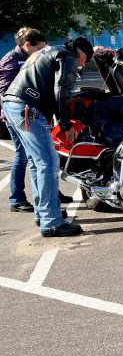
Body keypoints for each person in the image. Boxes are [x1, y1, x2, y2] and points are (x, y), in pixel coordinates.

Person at [2, 37, 95, 237]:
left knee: (37, 163)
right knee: (48, 162)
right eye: (86, 58)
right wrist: (66, 124)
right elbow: (61, 90)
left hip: (13, 105)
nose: (84, 63)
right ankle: (52, 223)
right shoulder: (67, 57)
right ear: (81, 52)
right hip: (28, 109)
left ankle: (44, 213)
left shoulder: (50, 51)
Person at [0, 28, 47, 212]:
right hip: (15, 116)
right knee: (23, 156)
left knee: (41, 157)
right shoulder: (10, 62)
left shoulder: (30, 58)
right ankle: (16, 199)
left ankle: (50, 193)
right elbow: (7, 95)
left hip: (32, 114)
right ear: (28, 45)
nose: (43, 53)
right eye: (40, 49)